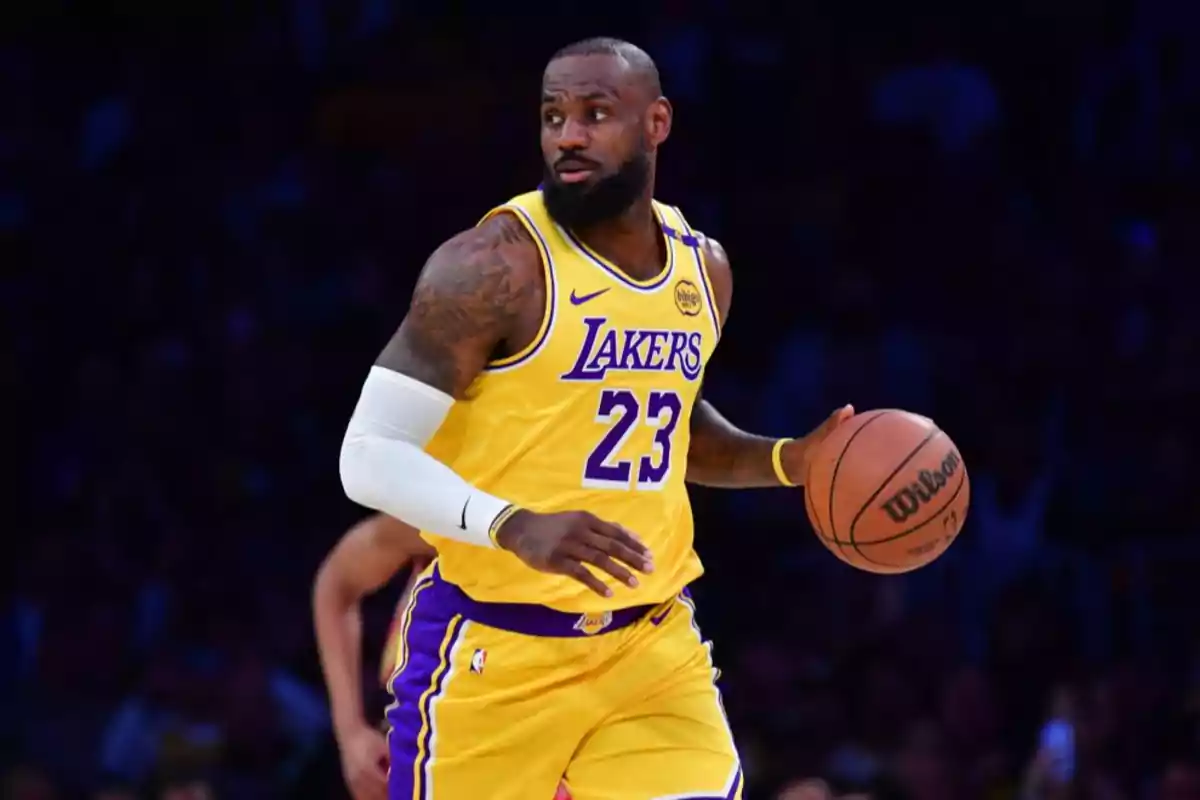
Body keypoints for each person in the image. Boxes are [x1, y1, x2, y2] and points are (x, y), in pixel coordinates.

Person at [338, 36, 852, 800]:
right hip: (496, 653)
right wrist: (514, 523)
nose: (568, 135)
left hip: (649, 651)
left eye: (595, 113)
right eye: (553, 116)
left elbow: (667, 423)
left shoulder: (702, 267)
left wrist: (788, 461)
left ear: (657, 123)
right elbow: (368, 455)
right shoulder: (494, 266)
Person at [315, 514, 574, 800]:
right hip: (422, 751)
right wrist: (350, 733)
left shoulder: (599, 534)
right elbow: (336, 586)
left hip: (538, 755)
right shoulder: (450, 517)